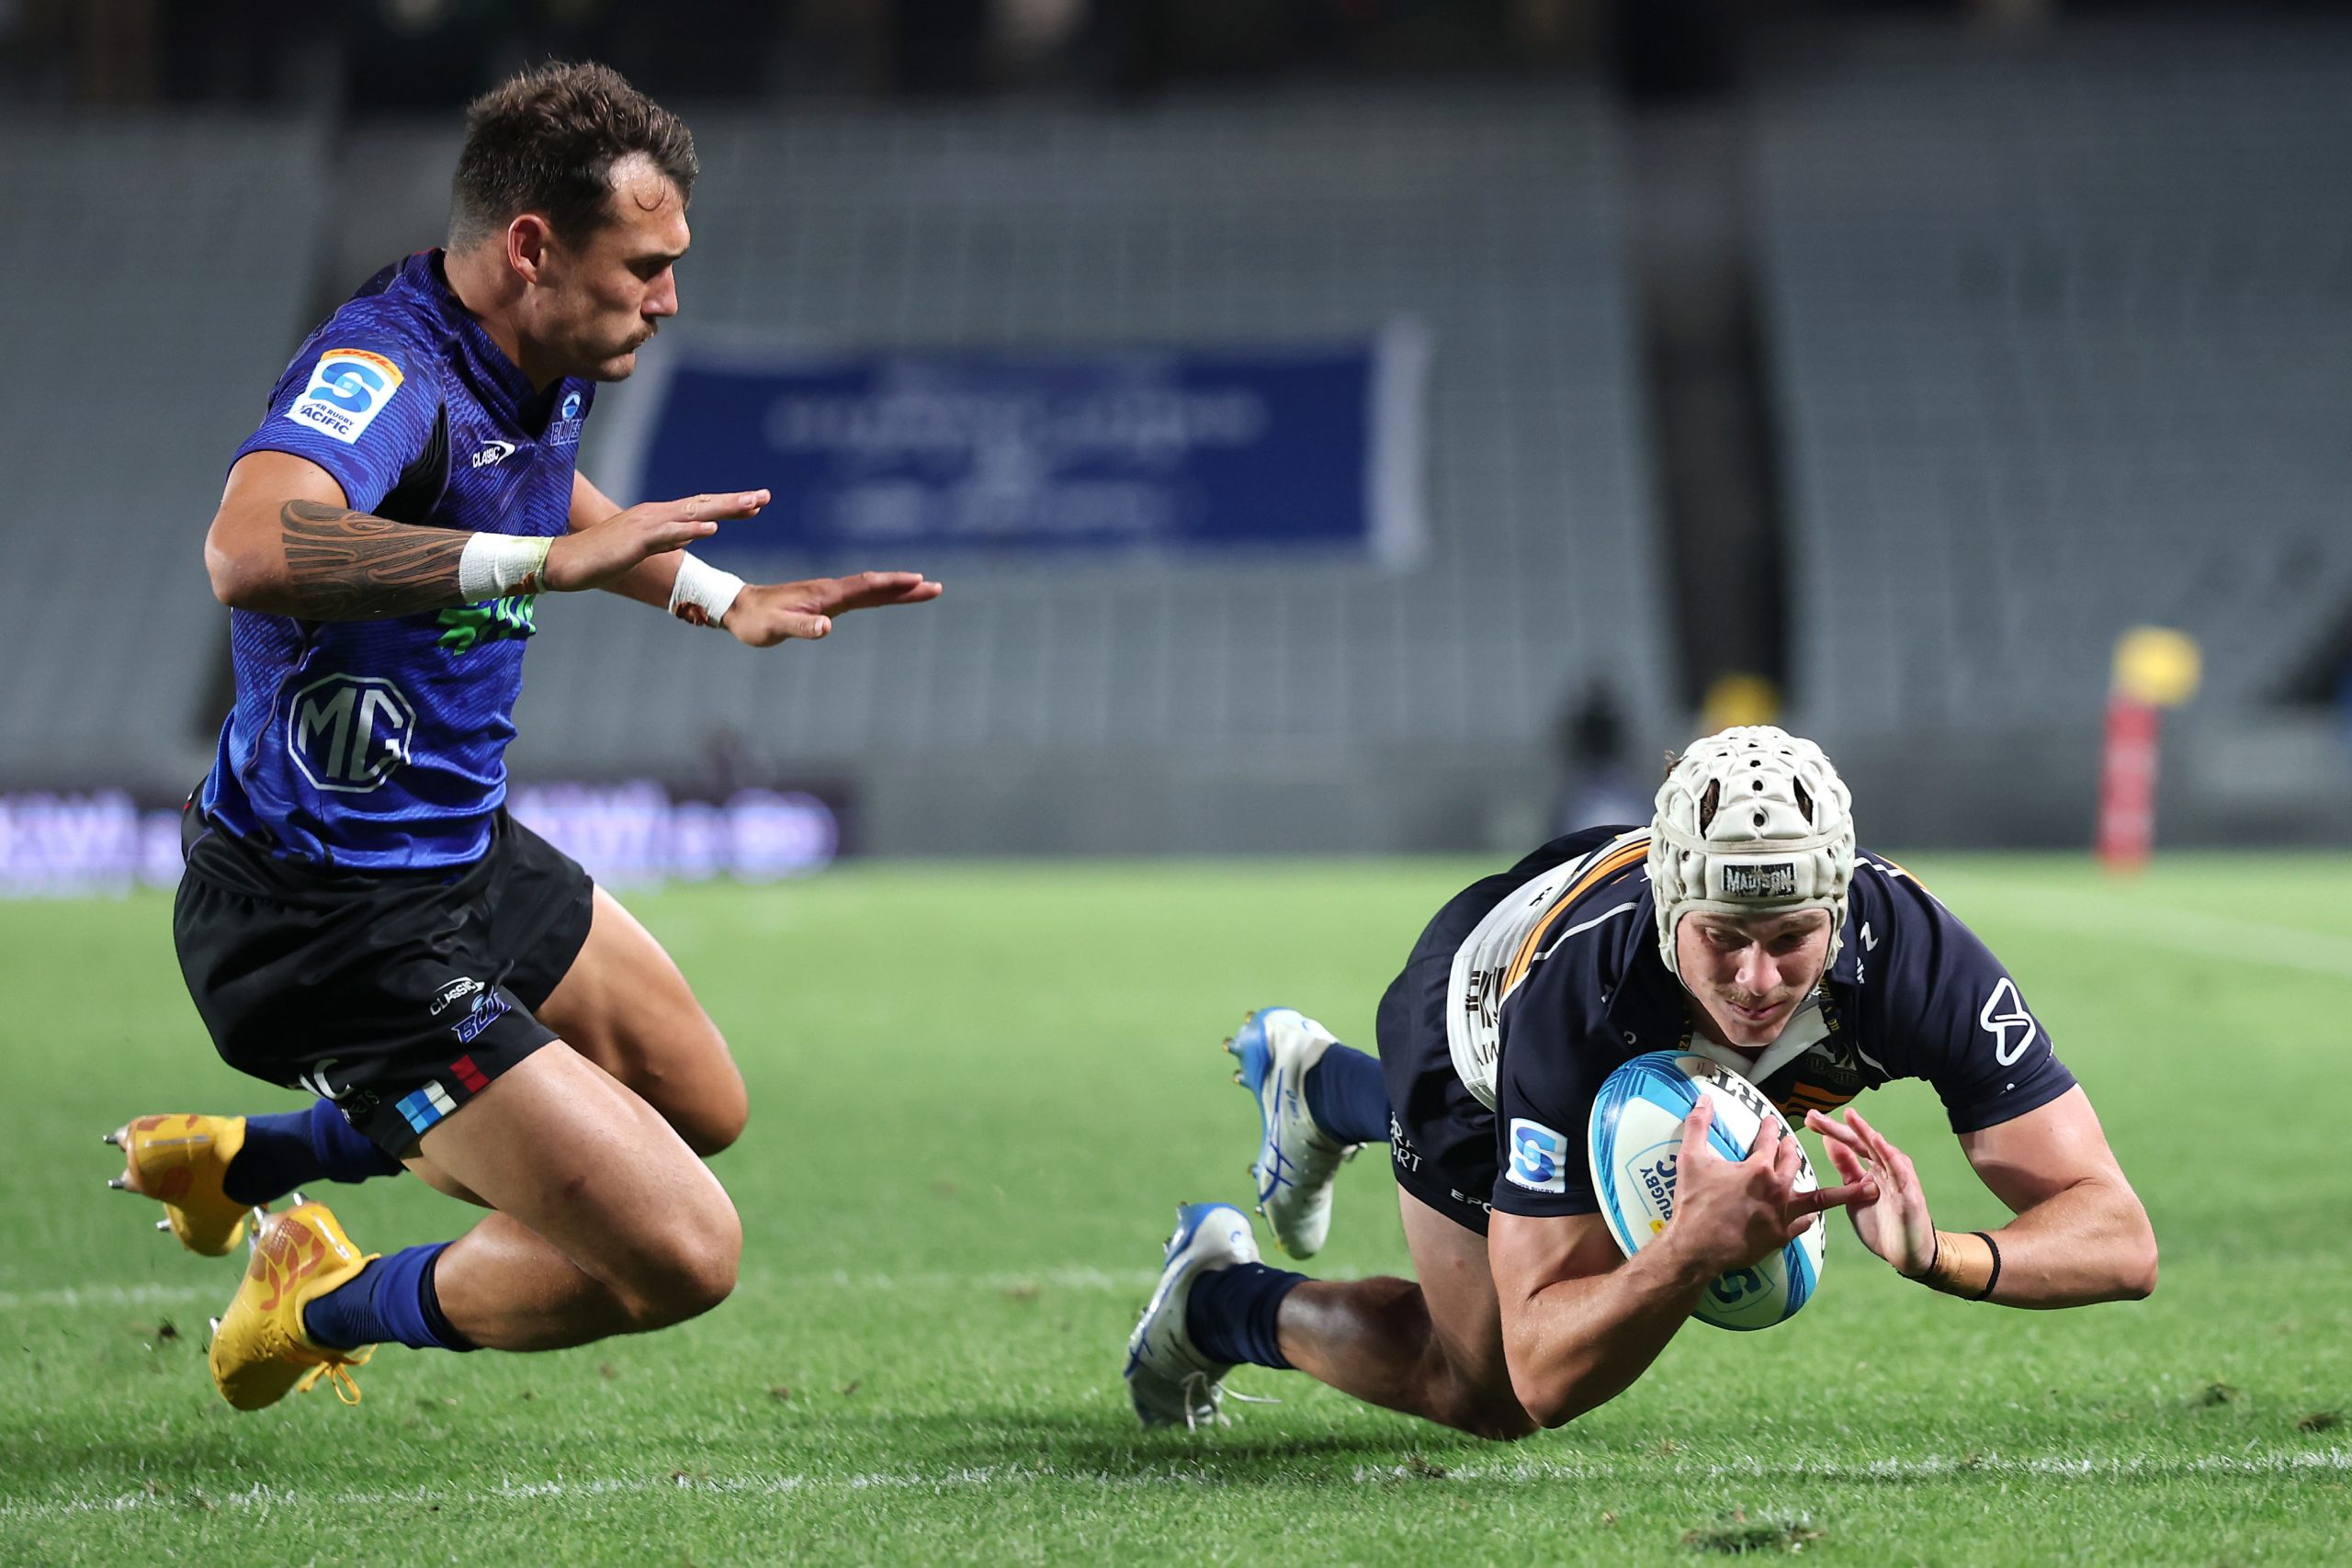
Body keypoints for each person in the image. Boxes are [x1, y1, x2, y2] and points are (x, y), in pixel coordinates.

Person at [105, 61, 942, 1411]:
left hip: (455, 858)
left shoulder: (534, 352)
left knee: (699, 1103)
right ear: (535, 245)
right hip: (326, 925)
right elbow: (249, 545)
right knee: (682, 1249)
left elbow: (544, 493)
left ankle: (252, 1157)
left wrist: (718, 595)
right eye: (647, 265)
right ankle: (313, 1296)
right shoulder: (383, 370)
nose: (669, 298)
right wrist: (538, 566)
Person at [1125, 726, 2157, 1434]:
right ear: (1673, 914)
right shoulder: (1579, 1002)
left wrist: (1945, 1257)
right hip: (1475, 1030)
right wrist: (1684, 1256)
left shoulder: (1915, 956)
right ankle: (1216, 1302)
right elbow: (1541, 1367)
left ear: (1839, 911)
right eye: (1724, 940)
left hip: (1621, 1001)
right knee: (1479, 1391)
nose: (1758, 981)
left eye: (1793, 939)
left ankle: (1319, 1089)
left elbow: (2118, 1235)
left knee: (1722, 1088)